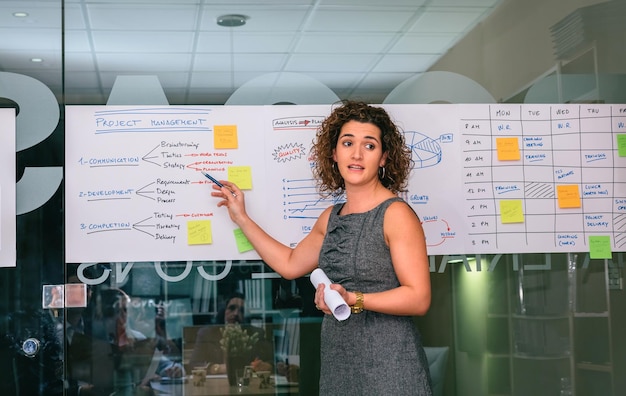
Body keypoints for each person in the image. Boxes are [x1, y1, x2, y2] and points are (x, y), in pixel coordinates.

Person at [210, 100, 433, 395]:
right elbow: (290, 264)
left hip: (390, 366)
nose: (356, 154)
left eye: (369, 145)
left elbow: (418, 299)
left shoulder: (395, 214)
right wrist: (241, 217)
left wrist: (353, 298)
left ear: (383, 158)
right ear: (333, 153)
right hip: (339, 363)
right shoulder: (331, 218)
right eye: (347, 142)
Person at [188, 292, 273, 374]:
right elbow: (194, 364)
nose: (236, 314)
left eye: (241, 310)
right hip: (215, 385)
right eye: (232, 308)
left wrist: (267, 366)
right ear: (223, 311)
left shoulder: (256, 333)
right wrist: (216, 368)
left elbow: (272, 361)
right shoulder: (207, 334)